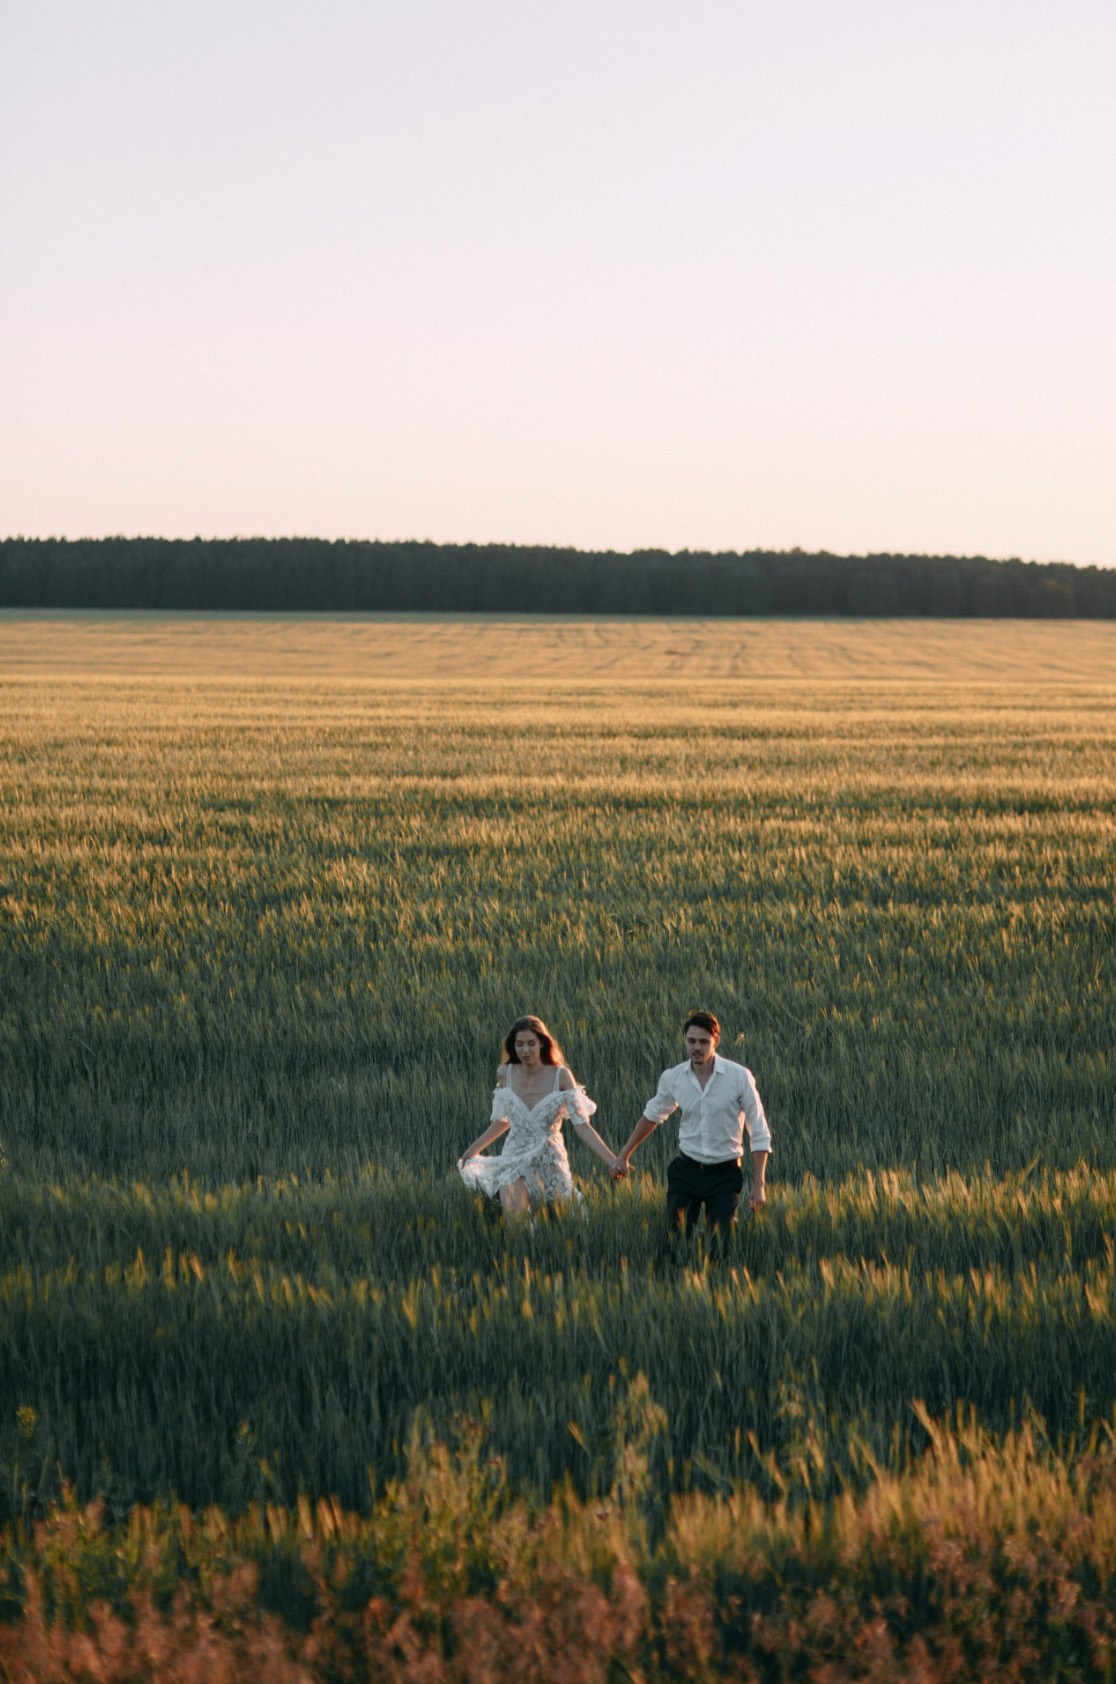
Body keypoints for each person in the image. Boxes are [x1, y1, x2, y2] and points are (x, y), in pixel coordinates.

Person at [611, 1011, 771, 1246]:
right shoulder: (674, 1077)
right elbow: (652, 1115)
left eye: (704, 1041)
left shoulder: (739, 1078)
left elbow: (758, 1131)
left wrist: (759, 1185)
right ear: (685, 1039)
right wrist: (624, 1155)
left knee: (721, 1244)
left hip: (725, 1173)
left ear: (716, 1041)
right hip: (686, 1170)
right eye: (691, 1041)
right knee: (675, 1242)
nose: (697, 1047)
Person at [458, 1015, 618, 1220]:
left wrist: (612, 1161)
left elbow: (582, 1126)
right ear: (512, 1046)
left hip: (550, 1158)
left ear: (542, 1043)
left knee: (568, 1220)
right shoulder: (504, 1073)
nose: (525, 1050)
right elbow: (502, 1121)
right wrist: (473, 1150)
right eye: (520, 1044)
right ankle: (519, 1250)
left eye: (531, 1044)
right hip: (514, 1156)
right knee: (516, 1220)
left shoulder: (560, 1076)